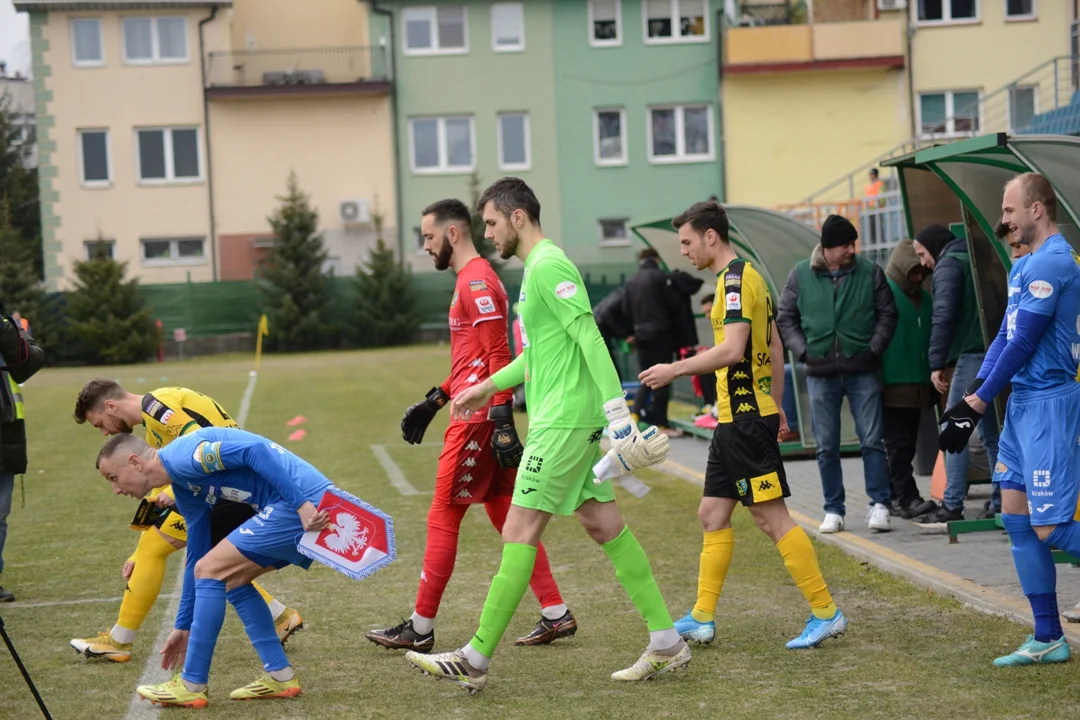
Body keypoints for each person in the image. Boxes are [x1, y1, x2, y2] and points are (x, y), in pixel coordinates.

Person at [405, 177, 685, 693]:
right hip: (563, 419)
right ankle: (667, 641)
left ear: (517, 217)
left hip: (562, 424)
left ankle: (475, 658)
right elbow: (541, 355)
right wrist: (485, 386)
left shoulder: (551, 264)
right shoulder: (535, 269)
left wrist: (619, 417)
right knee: (605, 527)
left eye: (490, 223)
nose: (487, 233)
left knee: (518, 531)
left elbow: (589, 337)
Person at [366, 199, 576, 653]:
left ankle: (420, 629)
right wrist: (436, 398)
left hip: (479, 421)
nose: (425, 246)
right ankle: (556, 612)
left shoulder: (477, 279)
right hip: (476, 412)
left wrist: (501, 417)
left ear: (453, 234)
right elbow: (471, 360)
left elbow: (498, 355)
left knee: (443, 513)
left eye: (428, 237)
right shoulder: (470, 278)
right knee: (506, 514)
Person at [639, 200, 847, 650]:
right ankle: (701, 617)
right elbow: (771, 345)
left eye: (687, 241)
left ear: (710, 236)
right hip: (737, 419)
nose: (684, 252)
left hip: (745, 420)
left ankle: (826, 611)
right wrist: (777, 401)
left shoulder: (734, 281)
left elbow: (734, 349)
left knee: (771, 519)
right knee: (711, 514)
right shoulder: (748, 277)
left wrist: (674, 370)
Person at [937, 172, 1080, 666]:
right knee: (1016, 519)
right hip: (1022, 402)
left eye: (1009, 210)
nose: (1003, 221)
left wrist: (975, 407)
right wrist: (973, 397)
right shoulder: (1024, 267)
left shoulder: (1055, 263)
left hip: (1050, 403)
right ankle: (1048, 638)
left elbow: (1026, 342)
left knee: (1053, 528)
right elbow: (1002, 338)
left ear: (1037, 209)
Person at [96, 428, 334, 706]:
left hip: (302, 505)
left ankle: (191, 684)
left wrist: (302, 505)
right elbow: (196, 555)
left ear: (135, 462)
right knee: (229, 579)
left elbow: (254, 451)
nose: (115, 489)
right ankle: (280, 675)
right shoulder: (183, 486)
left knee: (212, 570)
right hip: (292, 505)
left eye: (113, 478)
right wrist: (182, 626)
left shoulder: (183, 458)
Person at [71, 380, 302, 662]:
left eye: (99, 424)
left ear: (110, 406)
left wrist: (173, 491)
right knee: (212, 565)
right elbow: (160, 478)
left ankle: (122, 640)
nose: (104, 431)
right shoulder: (153, 425)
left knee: (171, 554)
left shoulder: (156, 405)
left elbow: (196, 443)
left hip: (229, 489)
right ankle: (278, 617)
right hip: (230, 488)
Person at [776, 214, 898, 534]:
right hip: (820, 372)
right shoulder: (800, 275)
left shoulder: (871, 273)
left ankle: (879, 505)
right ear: (827, 248)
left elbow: (888, 313)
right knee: (826, 446)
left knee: (872, 440)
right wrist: (803, 352)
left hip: (863, 368)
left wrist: (873, 349)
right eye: (845, 244)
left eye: (853, 243)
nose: (851, 250)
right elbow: (785, 317)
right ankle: (833, 509)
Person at [912, 224, 1000, 526]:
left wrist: (936, 363)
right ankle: (1001, 499)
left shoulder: (948, 265)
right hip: (989, 352)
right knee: (989, 432)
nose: (923, 262)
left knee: (955, 427)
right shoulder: (975, 257)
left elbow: (944, 315)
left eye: (922, 253)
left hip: (973, 354)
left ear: (934, 247)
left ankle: (951, 505)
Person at [880, 240, 936, 519]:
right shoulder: (884, 292)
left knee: (905, 444)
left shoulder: (923, 297)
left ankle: (893, 495)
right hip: (891, 383)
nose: (918, 276)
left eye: (921, 272)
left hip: (917, 385)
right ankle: (906, 497)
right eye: (913, 271)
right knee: (898, 445)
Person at [0, 305, 45, 602]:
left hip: (4, 436)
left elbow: (31, 359)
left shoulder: (5, 327)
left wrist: (5, 325)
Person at [623, 248, 683, 437]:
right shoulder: (660, 277)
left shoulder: (632, 281)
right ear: (656, 259)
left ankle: (635, 416)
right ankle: (661, 423)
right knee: (662, 378)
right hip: (660, 335)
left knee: (646, 378)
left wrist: (634, 331)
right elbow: (673, 303)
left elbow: (626, 310)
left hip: (641, 336)